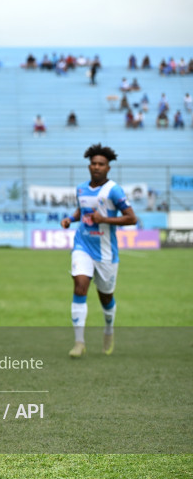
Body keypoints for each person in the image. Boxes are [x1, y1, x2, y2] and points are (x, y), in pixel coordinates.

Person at [61, 144, 137, 358]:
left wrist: (104, 219)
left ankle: (109, 330)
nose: (96, 167)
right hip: (82, 245)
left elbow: (132, 218)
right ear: (89, 166)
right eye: (93, 164)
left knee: (106, 297)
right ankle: (79, 342)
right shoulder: (81, 188)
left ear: (108, 168)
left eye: (101, 164)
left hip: (105, 253)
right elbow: (81, 210)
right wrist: (71, 219)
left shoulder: (114, 190)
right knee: (79, 286)